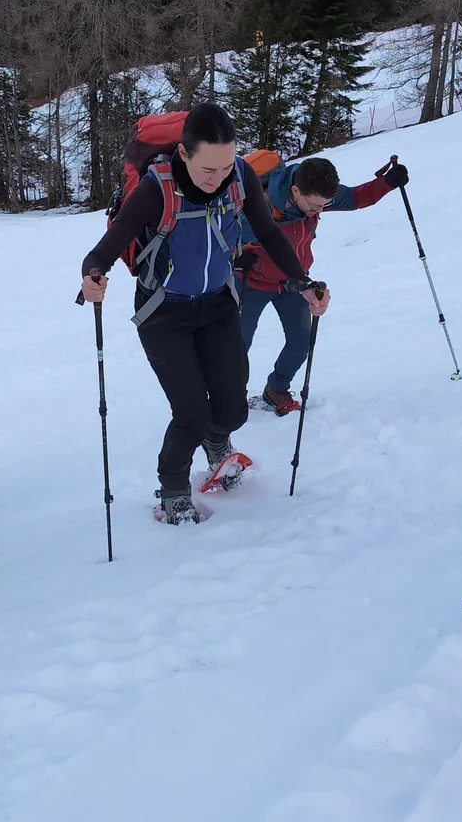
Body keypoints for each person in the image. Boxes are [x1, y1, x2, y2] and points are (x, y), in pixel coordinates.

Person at [80, 101, 329, 524]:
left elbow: (267, 231)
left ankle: (218, 443)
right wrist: (94, 272)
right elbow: (113, 239)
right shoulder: (157, 187)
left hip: (218, 305)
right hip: (164, 314)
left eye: (225, 167)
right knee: (192, 414)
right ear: (184, 154)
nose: (217, 180)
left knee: (232, 410)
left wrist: (301, 281)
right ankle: (173, 487)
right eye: (207, 170)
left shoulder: (241, 176)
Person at [237, 153, 407, 414]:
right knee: (237, 346)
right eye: (315, 206)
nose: (319, 210)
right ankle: (229, 397)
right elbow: (221, 237)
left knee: (301, 341)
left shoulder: (314, 191)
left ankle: (276, 389)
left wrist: (386, 183)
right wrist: (237, 257)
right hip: (252, 282)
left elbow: (355, 198)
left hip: (294, 283)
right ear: (295, 191)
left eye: (324, 205)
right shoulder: (259, 206)